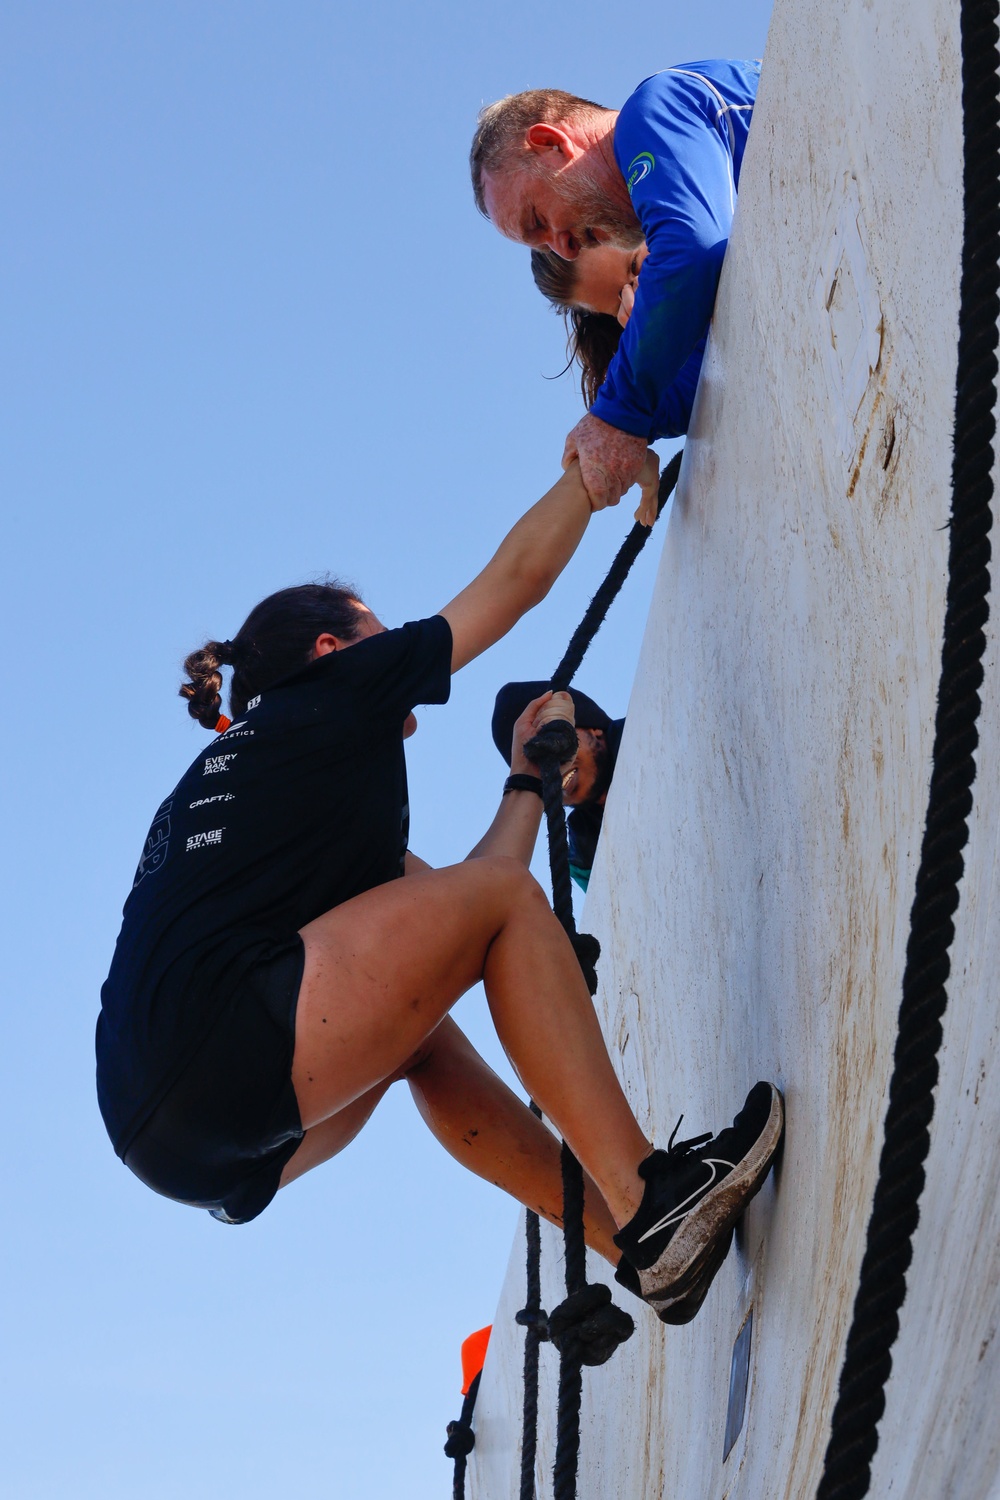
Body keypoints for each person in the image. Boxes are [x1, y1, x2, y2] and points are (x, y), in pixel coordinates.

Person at [95, 453, 783, 1324]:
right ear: (332, 648)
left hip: (171, 1141)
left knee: (422, 1037)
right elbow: (517, 581)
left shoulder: (275, 788)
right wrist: (598, 460)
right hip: (226, 1040)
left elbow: (474, 894)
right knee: (499, 915)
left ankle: (634, 1247)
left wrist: (529, 778)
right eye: (376, 624)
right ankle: (655, 1206)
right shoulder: (333, 690)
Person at [470, 61, 759, 508]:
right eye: (544, 244)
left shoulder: (654, 108)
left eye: (539, 221)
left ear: (550, 143)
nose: (563, 249)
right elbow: (690, 394)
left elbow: (690, 251)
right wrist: (620, 432)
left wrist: (617, 414)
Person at [531, 243, 706, 454]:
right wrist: (652, 343)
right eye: (622, 298)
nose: (642, 288)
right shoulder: (663, 384)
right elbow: (628, 422)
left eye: (634, 264)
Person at [492, 679, 623, 891]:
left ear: (593, 727)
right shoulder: (584, 855)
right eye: (538, 763)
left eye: (557, 746)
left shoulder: (661, 727)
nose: (555, 768)